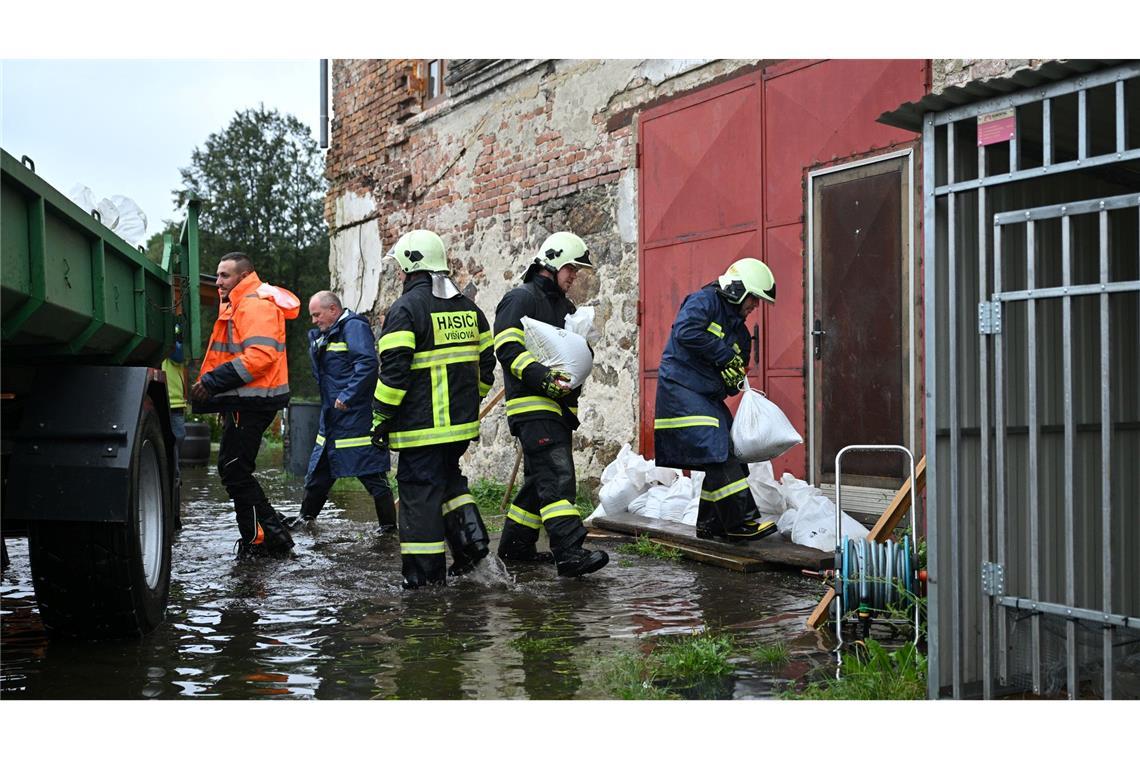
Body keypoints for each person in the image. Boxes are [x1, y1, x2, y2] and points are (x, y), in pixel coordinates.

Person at [370, 230, 496, 589]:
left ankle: (424, 579)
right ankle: (472, 547)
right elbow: (485, 366)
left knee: (419, 497)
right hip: (458, 429)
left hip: (420, 430)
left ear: (411, 264)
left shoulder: (406, 309)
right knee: (449, 481)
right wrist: (468, 403)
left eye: (400, 266)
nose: (399, 274)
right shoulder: (469, 309)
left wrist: (380, 417)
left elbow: (394, 374)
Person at [493, 231, 608, 578]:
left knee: (537, 483)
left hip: (557, 408)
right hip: (532, 407)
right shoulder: (520, 299)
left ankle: (515, 549)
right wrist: (542, 377)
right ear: (553, 262)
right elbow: (507, 349)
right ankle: (570, 553)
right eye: (571, 269)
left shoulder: (565, 307)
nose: (574, 277)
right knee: (557, 478)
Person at [653, 257, 779, 543]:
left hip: (707, 395)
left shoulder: (742, 335)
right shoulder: (704, 301)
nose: (754, 307)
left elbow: (733, 383)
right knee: (715, 444)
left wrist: (735, 378)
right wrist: (724, 356)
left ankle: (711, 525)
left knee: (728, 451)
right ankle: (740, 522)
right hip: (680, 388)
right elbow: (686, 331)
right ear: (737, 290)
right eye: (753, 299)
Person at [191, 252, 299, 559]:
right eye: (217, 275)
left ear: (243, 274)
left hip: (252, 401)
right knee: (234, 470)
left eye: (225, 275)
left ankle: (265, 540)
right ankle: (268, 536)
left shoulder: (253, 304)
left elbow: (260, 356)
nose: (218, 282)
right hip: (246, 400)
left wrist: (212, 382)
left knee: (234, 471)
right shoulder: (242, 302)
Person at [284, 290, 397, 534]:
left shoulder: (354, 327)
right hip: (332, 418)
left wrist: (348, 395)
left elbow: (367, 364)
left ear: (333, 310)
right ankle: (305, 519)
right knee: (319, 472)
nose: (314, 320)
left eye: (317, 315)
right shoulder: (328, 333)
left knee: (372, 475)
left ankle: (388, 528)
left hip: (354, 417)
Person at [161, 322, 189, 529]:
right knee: (171, 463)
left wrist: (175, 334)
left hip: (174, 405)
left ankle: (173, 517)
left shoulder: (174, 335)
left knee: (173, 464)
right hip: (168, 404)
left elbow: (178, 355)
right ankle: (171, 516)